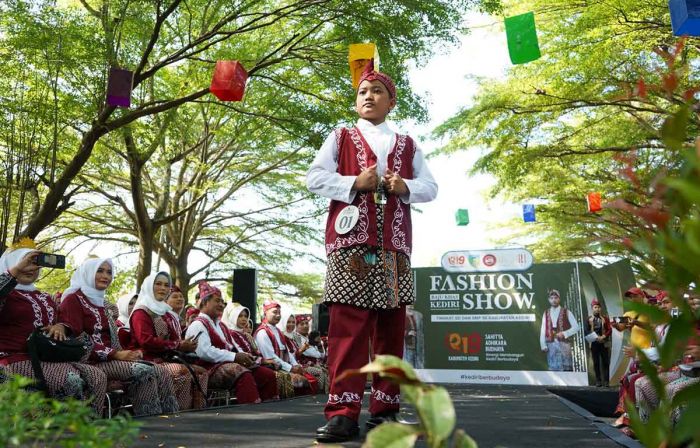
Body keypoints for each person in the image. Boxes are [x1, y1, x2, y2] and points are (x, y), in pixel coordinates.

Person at [306, 60, 438, 442]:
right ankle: (343, 413)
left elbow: (431, 187)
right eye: (363, 92)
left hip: (394, 248)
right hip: (350, 246)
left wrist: (405, 188)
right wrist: (354, 182)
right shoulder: (341, 136)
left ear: (391, 101)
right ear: (356, 101)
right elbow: (314, 177)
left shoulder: (408, 144)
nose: (368, 96)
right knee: (347, 329)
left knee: (390, 331)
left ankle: (385, 412)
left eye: (377, 91)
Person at [59, 257, 178, 416]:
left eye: (109, 272)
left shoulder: (102, 302)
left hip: (109, 359)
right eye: (99, 271)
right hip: (87, 360)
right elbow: (77, 339)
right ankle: (146, 421)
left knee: (159, 371)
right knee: (145, 371)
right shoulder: (73, 300)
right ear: (88, 273)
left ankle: (167, 420)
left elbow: (112, 338)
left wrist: (125, 354)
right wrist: (115, 354)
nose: (106, 276)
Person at [0, 243, 107, 415]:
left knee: (97, 376)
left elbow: (63, 320)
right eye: (25, 263)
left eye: (35, 264)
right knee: (70, 379)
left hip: (48, 355)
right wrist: (16, 271)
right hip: (15, 358)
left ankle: (93, 429)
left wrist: (60, 326)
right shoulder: (8, 293)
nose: (30, 269)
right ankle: (63, 435)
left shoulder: (43, 296)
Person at [185, 282, 276, 404]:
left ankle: (270, 412)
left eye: (222, 302)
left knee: (266, 374)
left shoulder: (221, 326)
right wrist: (234, 357)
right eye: (217, 301)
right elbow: (205, 352)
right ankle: (251, 414)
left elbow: (233, 348)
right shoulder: (198, 324)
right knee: (240, 372)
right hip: (207, 369)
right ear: (205, 302)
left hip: (227, 365)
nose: (221, 305)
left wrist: (249, 358)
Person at [129, 272, 208, 410]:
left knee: (201, 372)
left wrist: (186, 345)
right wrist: (178, 345)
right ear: (149, 286)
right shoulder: (141, 311)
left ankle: (196, 412)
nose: (163, 288)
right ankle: (175, 413)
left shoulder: (164, 312)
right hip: (146, 359)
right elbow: (146, 341)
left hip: (166, 359)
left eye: (166, 285)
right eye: (158, 284)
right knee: (182, 371)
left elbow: (173, 339)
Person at [221, 303, 289, 399]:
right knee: (267, 374)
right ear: (232, 316)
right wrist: (263, 361)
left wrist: (264, 360)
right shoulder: (231, 333)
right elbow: (241, 353)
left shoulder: (244, 334)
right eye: (240, 316)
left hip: (251, 364)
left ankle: (269, 403)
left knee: (270, 373)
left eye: (245, 316)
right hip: (241, 365)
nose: (244, 319)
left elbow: (256, 352)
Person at [254, 300, 315, 394]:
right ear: (265, 312)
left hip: (285, 366)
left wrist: (295, 365)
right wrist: (290, 368)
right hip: (273, 367)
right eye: (274, 312)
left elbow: (288, 353)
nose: (278, 315)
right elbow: (270, 357)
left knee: (311, 380)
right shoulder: (262, 332)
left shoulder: (278, 331)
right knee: (302, 381)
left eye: (279, 312)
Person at [612, 286, 652, 425]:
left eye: (635, 296)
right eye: (630, 297)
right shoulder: (629, 313)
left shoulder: (651, 311)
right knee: (627, 381)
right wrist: (614, 324)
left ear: (642, 296)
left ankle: (639, 419)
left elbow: (654, 327)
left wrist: (636, 322)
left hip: (650, 355)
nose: (632, 299)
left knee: (636, 382)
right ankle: (627, 415)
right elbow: (620, 327)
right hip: (633, 354)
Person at [278, 309, 328, 393]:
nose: (305, 326)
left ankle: (325, 395)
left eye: (306, 323)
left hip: (299, 364)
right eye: (302, 324)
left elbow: (321, 355)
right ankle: (320, 394)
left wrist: (319, 345)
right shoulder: (295, 337)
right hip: (298, 365)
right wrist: (302, 350)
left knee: (326, 371)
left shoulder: (297, 338)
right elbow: (316, 355)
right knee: (320, 372)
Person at [539, 289, 580, 371]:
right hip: (551, 345)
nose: (554, 300)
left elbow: (576, 327)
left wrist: (565, 333)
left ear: (559, 299)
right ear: (549, 299)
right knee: (553, 367)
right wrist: (543, 344)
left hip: (564, 344)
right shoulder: (546, 313)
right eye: (552, 298)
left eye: (556, 298)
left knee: (566, 367)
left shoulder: (566, 312)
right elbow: (543, 330)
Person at [585, 298, 611, 386]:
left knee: (605, 362)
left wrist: (604, 336)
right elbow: (586, 330)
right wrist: (595, 337)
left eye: (599, 307)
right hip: (594, 343)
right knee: (596, 363)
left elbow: (609, 330)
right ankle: (598, 381)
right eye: (595, 307)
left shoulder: (605, 319)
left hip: (603, 343)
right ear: (592, 308)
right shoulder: (589, 319)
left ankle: (606, 381)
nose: (597, 309)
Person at [404, 305, 424, 369]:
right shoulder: (400, 316)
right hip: (407, 346)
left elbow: (421, 331)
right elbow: (396, 330)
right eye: (408, 304)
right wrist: (408, 333)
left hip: (418, 346)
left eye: (411, 303)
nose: (410, 305)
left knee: (419, 366)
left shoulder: (419, 315)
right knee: (409, 366)